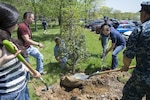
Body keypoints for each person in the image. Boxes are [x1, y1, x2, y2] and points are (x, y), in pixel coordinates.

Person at [0, 3, 41, 100]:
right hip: (9, 95)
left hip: (22, 88)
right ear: (6, 23)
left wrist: (29, 71)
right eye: (14, 21)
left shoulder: (7, 40)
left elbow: (16, 64)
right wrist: (3, 60)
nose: (16, 24)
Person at [120, 1, 150, 100]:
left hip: (143, 76)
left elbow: (128, 55)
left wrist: (125, 66)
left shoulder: (140, 30)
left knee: (129, 94)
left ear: (144, 13)